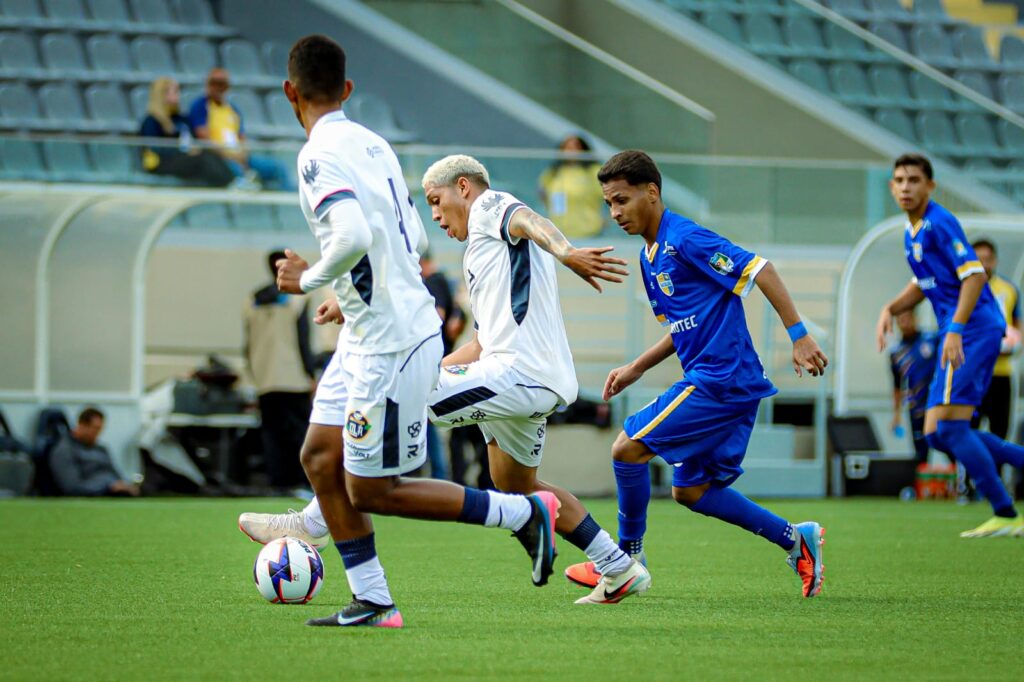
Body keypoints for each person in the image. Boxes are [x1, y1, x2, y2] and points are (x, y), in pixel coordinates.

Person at [237, 35, 559, 629]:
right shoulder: (375, 144)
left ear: (289, 93)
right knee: (319, 454)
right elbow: (411, 241)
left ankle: (521, 515)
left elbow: (354, 235)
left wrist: (310, 279)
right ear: (348, 90)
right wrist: (349, 294)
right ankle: (374, 600)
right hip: (371, 327)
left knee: (374, 490)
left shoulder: (315, 156)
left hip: (390, 338)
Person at [563, 150, 829, 599]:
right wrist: (635, 367)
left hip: (721, 380)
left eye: (622, 200)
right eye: (609, 203)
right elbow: (683, 328)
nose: (615, 213)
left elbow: (760, 268)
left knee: (627, 449)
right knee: (693, 491)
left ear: (652, 192)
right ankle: (794, 538)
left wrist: (799, 335)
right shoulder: (651, 258)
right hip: (724, 382)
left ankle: (625, 563)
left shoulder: (685, 239)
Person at [419, 154, 648, 604]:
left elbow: (528, 218)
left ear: (463, 187)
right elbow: (483, 344)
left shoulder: (490, 206)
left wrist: (567, 252)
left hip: (519, 373)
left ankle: (316, 524)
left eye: (435, 200)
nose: (434, 215)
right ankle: (617, 566)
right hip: (517, 374)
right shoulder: (483, 256)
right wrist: (437, 367)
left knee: (402, 402)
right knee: (516, 485)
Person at [876, 153, 1024, 538]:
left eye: (914, 180)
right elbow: (922, 285)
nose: (906, 187)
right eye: (900, 180)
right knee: (939, 433)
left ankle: (1006, 513)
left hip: (972, 331)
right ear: (892, 188)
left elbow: (974, 276)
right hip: (959, 332)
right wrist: (890, 308)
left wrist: (956, 329)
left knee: (953, 429)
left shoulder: (940, 223)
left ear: (930, 186)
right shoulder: (912, 233)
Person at [243, 250, 317, 491]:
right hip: (293, 377)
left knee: (271, 434)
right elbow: (303, 340)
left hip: (265, 378)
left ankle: (277, 482)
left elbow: (247, 343)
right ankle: (301, 482)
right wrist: (311, 374)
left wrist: (254, 373)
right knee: (300, 432)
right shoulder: (298, 298)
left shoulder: (251, 300)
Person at [187, 68, 294, 191]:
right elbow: (204, 138)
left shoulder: (233, 109)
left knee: (278, 169)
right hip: (218, 158)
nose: (218, 88)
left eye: (222, 84)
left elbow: (241, 138)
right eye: (214, 83)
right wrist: (230, 155)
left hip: (240, 156)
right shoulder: (200, 106)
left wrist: (242, 155)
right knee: (241, 176)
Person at [139, 77, 234, 187]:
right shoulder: (151, 121)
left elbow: (192, 138)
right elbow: (154, 148)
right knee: (202, 159)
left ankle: (232, 181)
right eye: (174, 91)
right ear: (162, 95)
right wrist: (183, 151)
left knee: (210, 153)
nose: (178, 95)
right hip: (161, 163)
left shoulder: (180, 119)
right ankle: (228, 184)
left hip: (184, 158)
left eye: (178, 91)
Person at [970, 238, 1021, 440]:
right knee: (967, 432)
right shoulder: (962, 289)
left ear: (995, 261)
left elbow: (1017, 325)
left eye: (987, 259)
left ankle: (996, 472)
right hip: (973, 374)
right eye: (978, 259)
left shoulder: (1008, 290)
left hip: (1000, 373)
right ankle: (969, 471)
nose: (983, 264)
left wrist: (1014, 344)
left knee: (999, 432)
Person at [417, 250, 453, 480]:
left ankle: (439, 475)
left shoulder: (434, 280)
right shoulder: (440, 281)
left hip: (434, 360)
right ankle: (436, 474)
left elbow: (438, 315)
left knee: (426, 418)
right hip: (438, 358)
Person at [50, 407, 140, 497]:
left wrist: (127, 486)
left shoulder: (101, 449)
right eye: (95, 428)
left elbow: (116, 477)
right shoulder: (64, 450)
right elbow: (72, 487)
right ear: (81, 425)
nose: (98, 433)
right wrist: (107, 486)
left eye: (100, 429)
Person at [889, 310, 938, 463]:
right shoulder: (897, 353)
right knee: (920, 454)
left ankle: (961, 483)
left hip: (938, 404)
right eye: (900, 320)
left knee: (950, 447)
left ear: (915, 318)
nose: (905, 323)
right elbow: (897, 385)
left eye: (907, 318)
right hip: (916, 408)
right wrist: (896, 415)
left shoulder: (933, 339)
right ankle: (921, 486)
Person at [538, 134, 606, 239]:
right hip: (559, 231)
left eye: (575, 147)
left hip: (588, 231)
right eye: (567, 148)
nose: (571, 151)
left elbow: (609, 194)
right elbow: (542, 193)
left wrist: (609, 218)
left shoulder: (593, 171)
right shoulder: (554, 171)